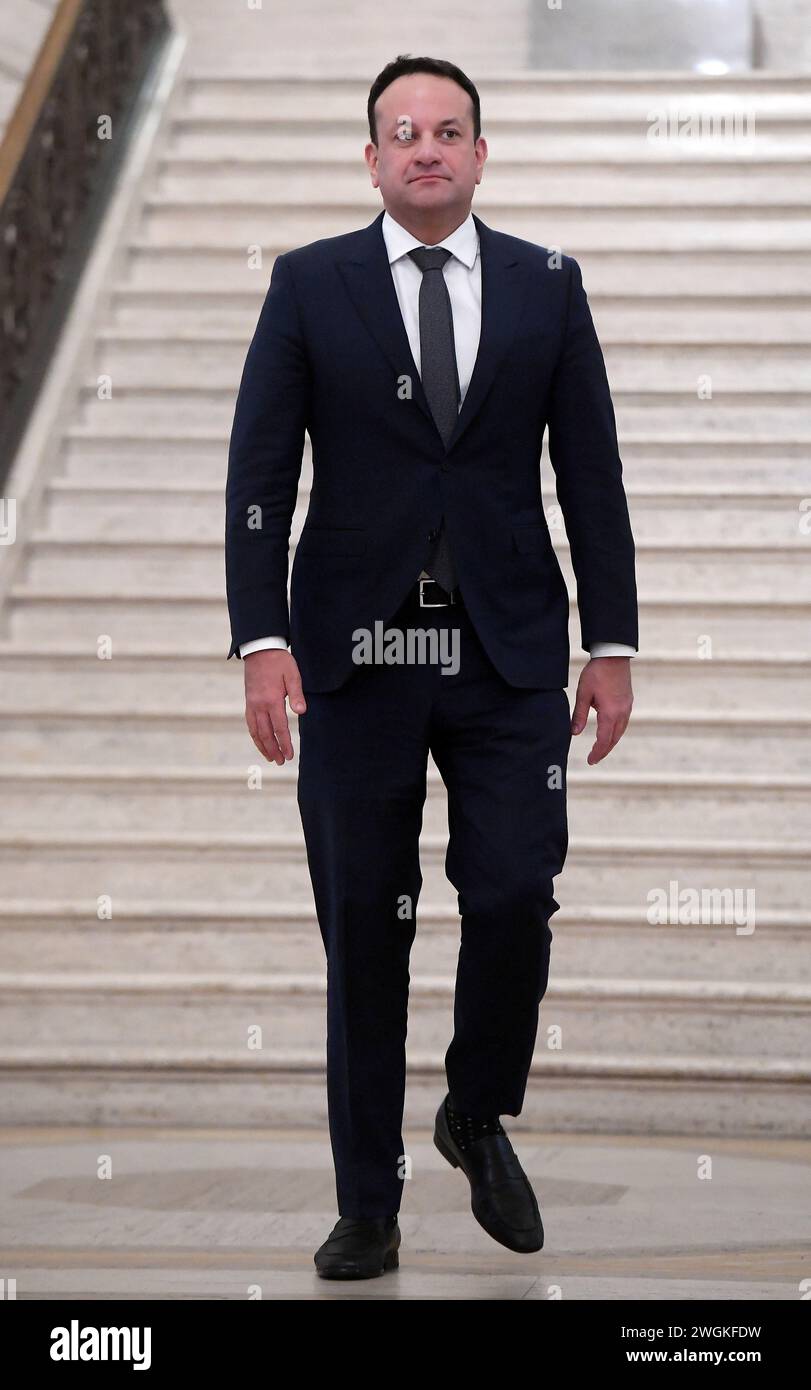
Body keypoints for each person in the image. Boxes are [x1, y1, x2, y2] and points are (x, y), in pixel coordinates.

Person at [225, 53, 638, 1280]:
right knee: (363, 925)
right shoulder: (310, 285)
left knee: (513, 888)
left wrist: (610, 642)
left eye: (448, 130)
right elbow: (258, 477)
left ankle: (473, 1105)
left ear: (479, 152)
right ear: (370, 157)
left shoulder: (545, 287)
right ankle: (368, 1200)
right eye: (401, 131)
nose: (425, 149)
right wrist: (261, 641)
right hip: (355, 654)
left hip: (503, 646)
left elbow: (594, 478)